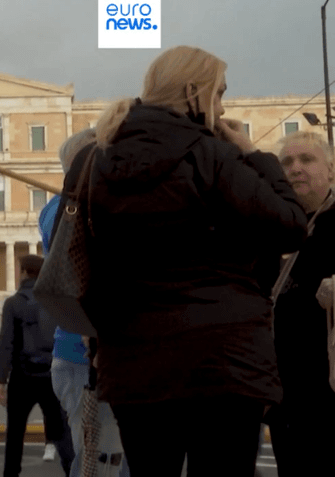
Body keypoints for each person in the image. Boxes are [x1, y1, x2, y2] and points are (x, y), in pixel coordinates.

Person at [55, 45, 306, 476]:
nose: (222, 106)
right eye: (219, 92)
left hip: (135, 362)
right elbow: (290, 225)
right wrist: (256, 155)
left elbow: (75, 261)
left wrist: (110, 333)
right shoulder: (216, 155)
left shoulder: (92, 160)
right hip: (224, 361)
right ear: (194, 92)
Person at [44, 128, 130, 477]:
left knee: (117, 462)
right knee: (99, 464)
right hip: (84, 359)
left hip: (113, 358)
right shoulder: (62, 210)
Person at [267, 131, 335, 476]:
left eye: (306, 160)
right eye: (287, 162)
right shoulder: (272, 226)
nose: (295, 169)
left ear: (331, 170)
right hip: (283, 391)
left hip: (328, 388)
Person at [0, 254, 74, 477]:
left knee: (15, 435)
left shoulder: (13, 303)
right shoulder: (54, 301)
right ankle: (74, 472)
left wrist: (0, 379)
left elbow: (6, 343)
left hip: (22, 376)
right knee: (61, 433)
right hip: (52, 375)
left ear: (24, 272)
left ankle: (11, 474)